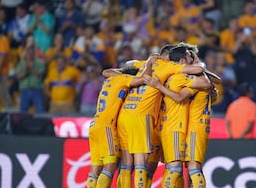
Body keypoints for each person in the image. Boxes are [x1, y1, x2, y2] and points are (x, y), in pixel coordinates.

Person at [116, 45, 205, 188]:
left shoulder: (143, 64)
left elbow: (128, 64)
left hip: (140, 119)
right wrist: (198, 63)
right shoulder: (169, 67)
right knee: (165, 166)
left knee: (133, 165)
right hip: (156, 121)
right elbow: (202, 76)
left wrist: (148, 62)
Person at [86, 57, 154, 188]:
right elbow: (144, 77)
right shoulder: (124, 79)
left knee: (95, 168)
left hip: (94, 125)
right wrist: (149, 63)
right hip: (106, 126)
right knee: (110, 165)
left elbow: (106, 72)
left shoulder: (109, 80)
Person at [15, 46, 45, 113]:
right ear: (26, 54)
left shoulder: (40, 63)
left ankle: (41, 123)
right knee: (23, 112)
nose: (30, 55)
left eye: (32, 53)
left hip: (37, 90)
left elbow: (40, 74)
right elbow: (18, 76)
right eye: (28, 53)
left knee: (40, 111)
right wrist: (26, 70)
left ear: (34, 54)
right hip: (24, 90)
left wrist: (30, 69)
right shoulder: (21, 64)